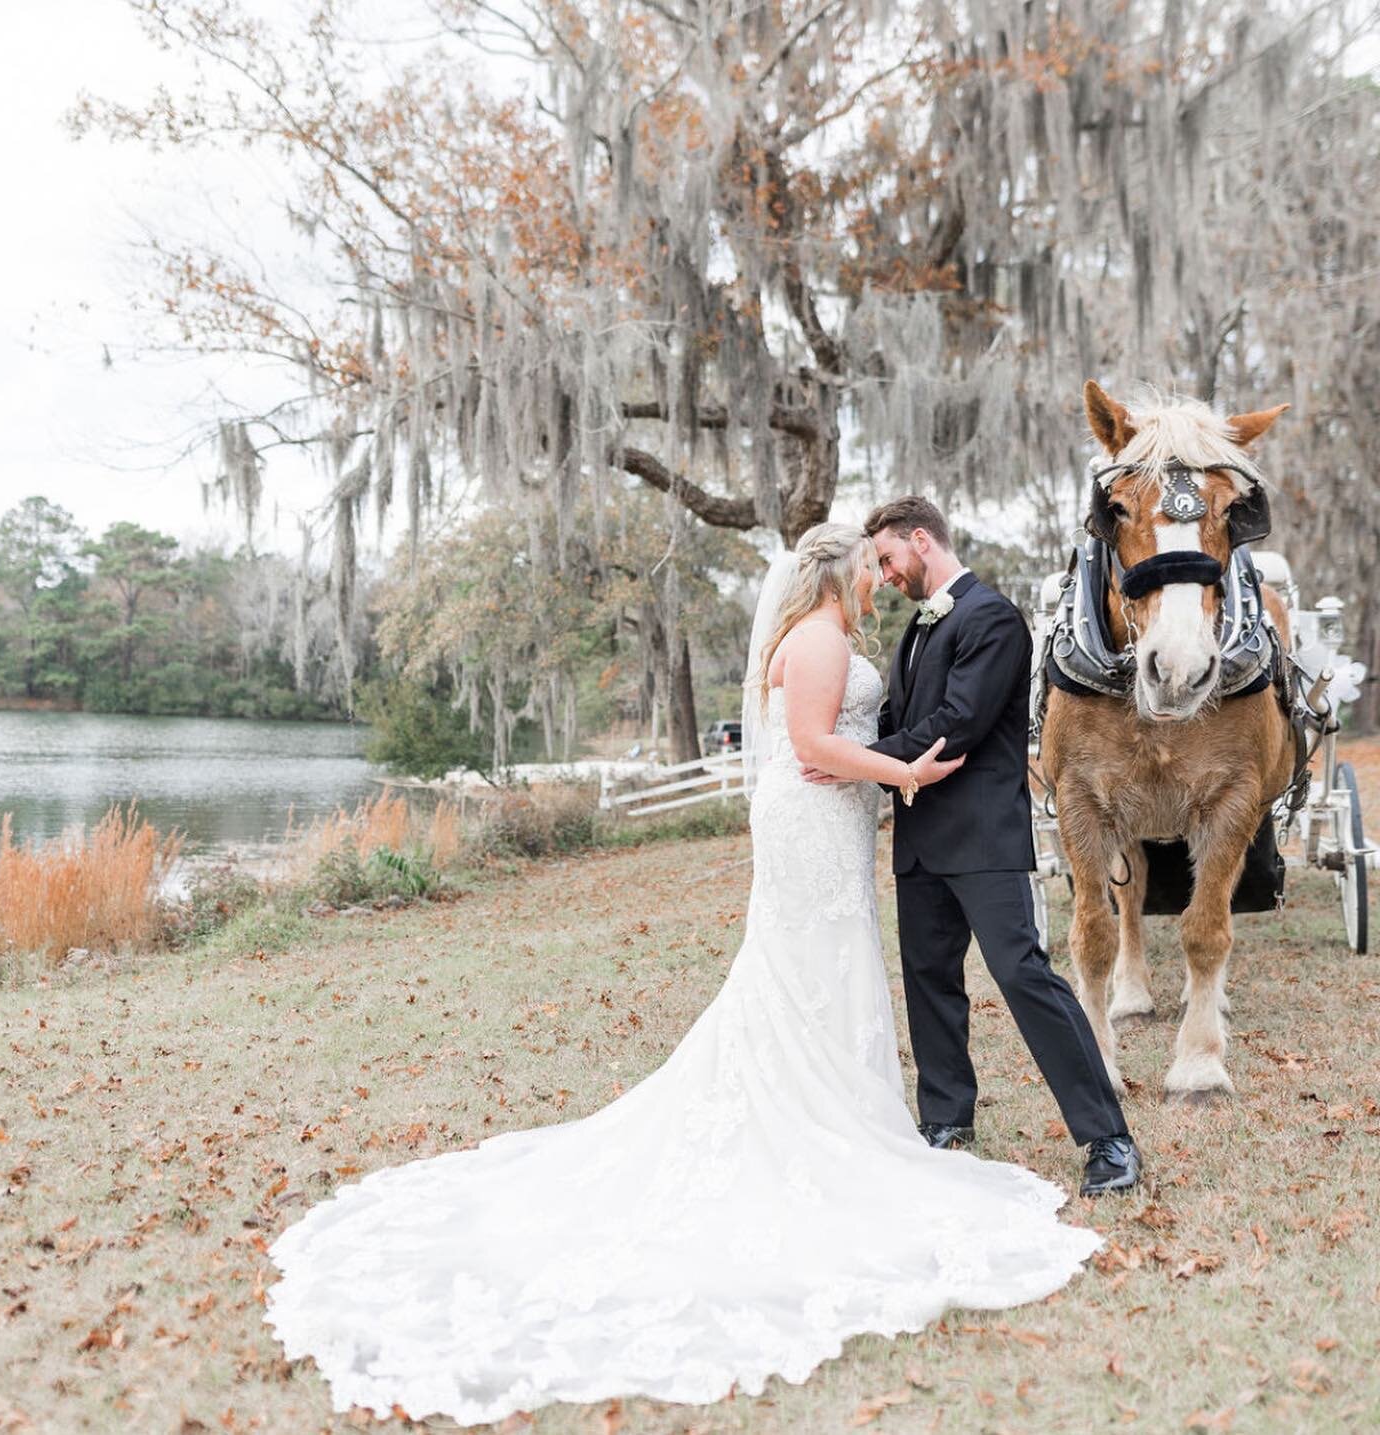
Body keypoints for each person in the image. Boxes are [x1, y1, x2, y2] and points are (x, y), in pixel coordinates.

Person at [263, 522, 1105, 1427]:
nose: (877, 580)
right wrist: (896, 768)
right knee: (814, 973)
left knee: (851, 973)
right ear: (838, 569)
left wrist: (886, 763)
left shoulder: (918, 626)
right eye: (867, 567)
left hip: (864, 831)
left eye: (882, 564)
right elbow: (820, 746)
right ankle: (873, 1121)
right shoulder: (820, 639)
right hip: (818, 830)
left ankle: (927, 1118)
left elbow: (892, 727)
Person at [806, 497, 1141, 1197]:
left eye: (890, 559)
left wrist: (849, 758)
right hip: (920, 839)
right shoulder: (915, 630)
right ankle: (945, 1121)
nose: (887, 576)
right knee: (930, 983)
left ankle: (1108, 1139)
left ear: (921, 540)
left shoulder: (992, 618)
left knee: (1024, 976)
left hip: (983, 837)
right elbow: (902, 716)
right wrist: (863, 759)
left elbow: (954, 725)